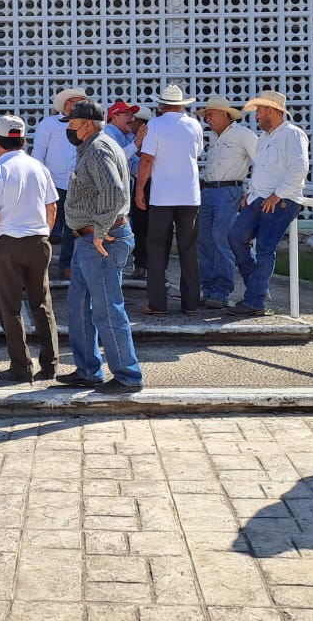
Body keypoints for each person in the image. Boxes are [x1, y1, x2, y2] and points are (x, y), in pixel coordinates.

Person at [55, 100, 143, 393]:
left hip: (101, 241)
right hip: (88, 240)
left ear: (88, 125)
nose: (68, 128)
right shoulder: (92, 146)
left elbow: (115, 191)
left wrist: (101, 231)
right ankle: (88, 370)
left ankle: (128, 375)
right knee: (79, 307)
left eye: (72, 123)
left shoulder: (98, 148)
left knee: (107, 309)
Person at [0, 115, 59, 384]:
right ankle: (50, 363)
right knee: (41, 304)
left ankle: (21, 365)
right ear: (23, 140)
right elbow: (52, 207)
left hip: (8, 244)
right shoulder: (39, 167)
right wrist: (44, 232)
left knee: (9, 307)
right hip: (38, 240)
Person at [227, 90, 309, 318]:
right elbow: (262, 170)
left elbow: (300, 169)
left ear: (271, 111)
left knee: (265, 249)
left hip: (281, 201)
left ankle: (255, 301)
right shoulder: (263, 138)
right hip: (258, 199)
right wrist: (250, 193)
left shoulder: (292, 134)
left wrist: (278, 195)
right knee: (235, 237)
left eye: (260, 111)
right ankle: (258, 289)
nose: (257, 116)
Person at [135, 85, 204, 315]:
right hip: (190, 195)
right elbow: (197, 153)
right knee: (188, 250)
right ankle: (191, 303)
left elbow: (146, 160)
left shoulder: (155, 125)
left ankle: (157, 303)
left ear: (162, 105)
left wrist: (140, 190)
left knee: (156, 249)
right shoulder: (194, 124)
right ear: (183, 104)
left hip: (162, 196)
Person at [198, 98, 257, 309]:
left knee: (221, 241)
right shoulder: (214, 137)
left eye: (211, 114)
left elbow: (261, 161)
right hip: (209, 190)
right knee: (205, 241)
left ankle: (221, 291)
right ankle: (208, 288)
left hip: (228, 191)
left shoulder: (243, 135)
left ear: (225, 114)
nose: (208, 118)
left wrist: (251, 191)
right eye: (207, 115)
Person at [33, 87, 88, 278]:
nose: (81, 106)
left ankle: (66, 266)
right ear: (67, 104)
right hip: (53, 182)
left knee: (72, 229)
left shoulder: (85, 124)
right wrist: (41, 182)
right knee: (45, 228)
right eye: (77, 102)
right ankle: (39, 268)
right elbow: (38, 153)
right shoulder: (49, 124)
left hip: (77, 183)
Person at [129, 106, 155, 280]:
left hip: (154, 184)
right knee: (139, 226)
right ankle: (140, 265)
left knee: (153, 227)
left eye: (135, 120)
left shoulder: (154, 137)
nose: (131, 123)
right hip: (139, 184)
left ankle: (153, 267)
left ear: (142, 123)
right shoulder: (131, 139)